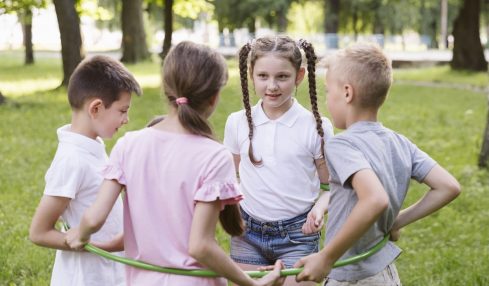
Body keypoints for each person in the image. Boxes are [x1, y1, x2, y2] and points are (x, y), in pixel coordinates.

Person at [65, 41, 285, 286]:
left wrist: (79, 235)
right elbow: (200, 246)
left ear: (166, 88)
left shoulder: (129, 144)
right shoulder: (214, 155)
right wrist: (252, 283)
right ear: (214, 98)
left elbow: (94, 219)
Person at [294, 42, 462, 285]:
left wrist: (326, 258)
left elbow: (375, 199)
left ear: (347, 93)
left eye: (328, 91)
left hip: (351, 277)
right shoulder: (400, 142)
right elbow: (449, 186)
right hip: (386, 273)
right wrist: (397, 220)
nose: (327, 99)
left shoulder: (342, 145)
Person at [224, 36, 334, 286]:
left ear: (299, 75)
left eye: (282, 77)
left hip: (298, 234)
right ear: (251, 74)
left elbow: (332, 185)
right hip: (247, 233)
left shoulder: (315, 126)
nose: (272, 86)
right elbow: (230, 178)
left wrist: (319, 208)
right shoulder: (237, 122)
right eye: (263, 76)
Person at [29, 55, 142, 286]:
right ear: (96, 108)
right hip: (86, 277)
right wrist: (87, 245)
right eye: (122, 111)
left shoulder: (94, 146)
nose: (127, 119)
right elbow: (39, 232)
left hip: (110, 270)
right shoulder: (72, 160)